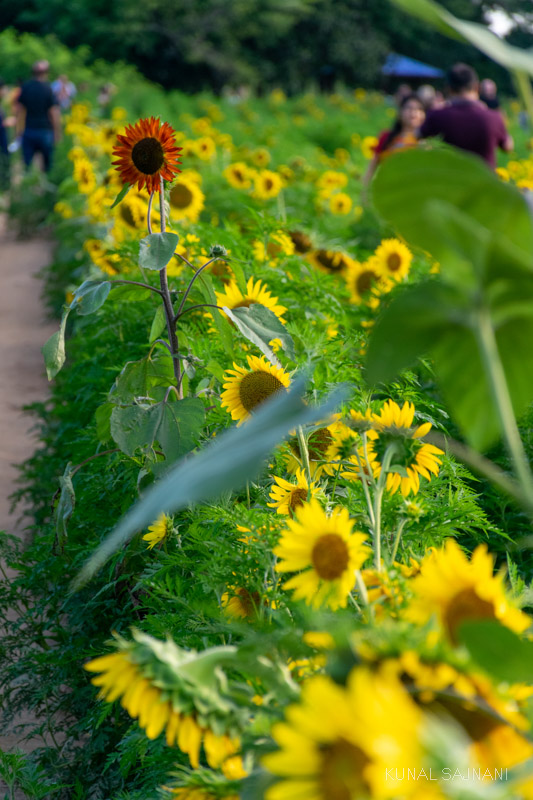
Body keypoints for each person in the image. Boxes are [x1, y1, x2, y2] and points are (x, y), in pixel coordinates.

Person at [420, 63, 513, 168]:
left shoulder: (437, 116)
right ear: (477, 87)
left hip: (453, 181)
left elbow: (415, 136)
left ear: (448, 88)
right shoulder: (493, 117)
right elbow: (508, 146)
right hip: (485, 182)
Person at [363, 94, 426, 189]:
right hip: (387, 190)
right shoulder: (387, 137)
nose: (413, 113)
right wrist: (364, 191)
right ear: (400, 112)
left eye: (418, 109)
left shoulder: (427, 143)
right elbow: (371, 167)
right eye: (409, 108)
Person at [15, 60, 61, 172]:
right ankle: (44, 187)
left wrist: (18, 131)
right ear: (46, 73)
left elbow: (20, 111)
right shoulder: (48, 89)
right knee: (47, 165)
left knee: (27, 164)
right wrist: (57, 132)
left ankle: (28, 187)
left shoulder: (26, 87)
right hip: (45, 130)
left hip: (29, 129)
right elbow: (53, 113)